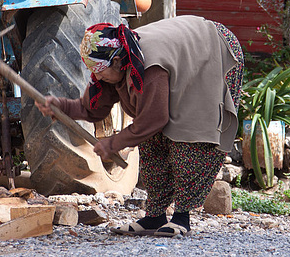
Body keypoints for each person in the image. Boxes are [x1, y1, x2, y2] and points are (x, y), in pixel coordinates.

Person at [37, 15, 244, 237]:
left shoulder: (148, 67)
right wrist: (61, 107)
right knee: (151, 142)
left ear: (117, 62)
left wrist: (113, 144)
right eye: (93, 70)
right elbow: (93, 108)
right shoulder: (111, 65)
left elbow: (154, 119)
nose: (96, 76)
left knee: (190, 135)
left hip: (212, 48)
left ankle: (182, 217)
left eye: (99, 70)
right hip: (181, 55)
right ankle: (154, 217)